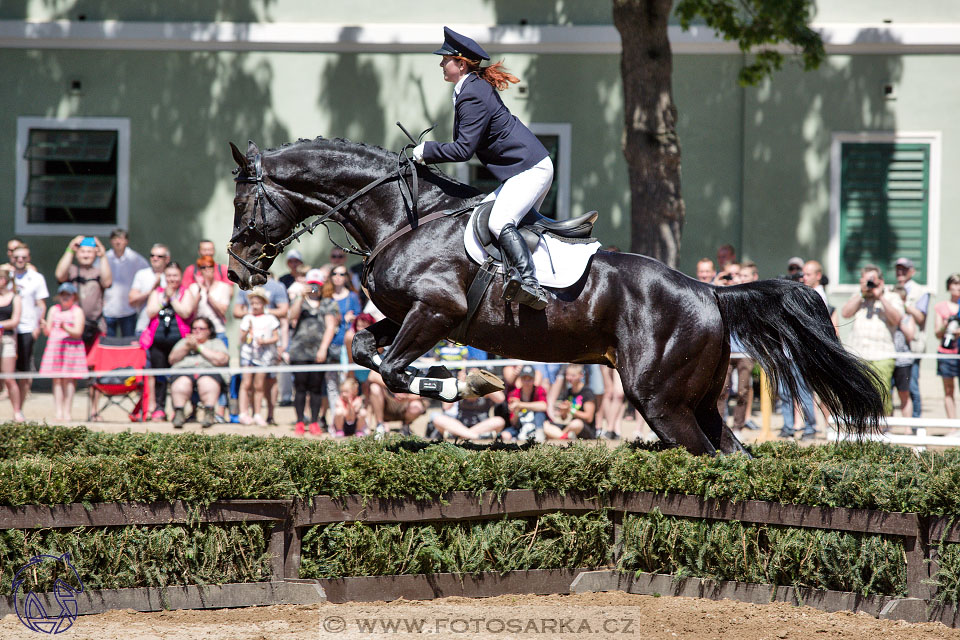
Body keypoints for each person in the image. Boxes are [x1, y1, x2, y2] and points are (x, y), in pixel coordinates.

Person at [412, 27, 552, 310]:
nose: (441, 63)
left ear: (461, 63)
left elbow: (464, 149)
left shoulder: (473, 92)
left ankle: (530, 283)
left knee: (500, 222)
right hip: (521, 169)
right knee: (485, 219)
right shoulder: (469, 88)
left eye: (445, 59)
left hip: (529, 169)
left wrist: (426, 151)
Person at [841, 265, 904, 415]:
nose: (869, 283)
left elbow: (896, 319)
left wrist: (880, 296)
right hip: (857, 353)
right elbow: (845, 313)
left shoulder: (892, 297)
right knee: (857, 391)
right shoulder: (858, 296)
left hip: (882, 355)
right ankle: (860, 426)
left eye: (872, 280)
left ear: (880, 281)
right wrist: (862, 294)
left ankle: (881, 427)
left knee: (881, 392)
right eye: (866, 280)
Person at [141, 262, 197, 421]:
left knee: (178, 376)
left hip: (179, 343)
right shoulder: (157, 293)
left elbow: (186, 312)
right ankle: (159, 408)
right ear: (165, 277)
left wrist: (172, 298)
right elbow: (150, 312)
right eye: (169, 276)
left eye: (175, 275)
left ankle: (177, 409)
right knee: (159, 376)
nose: (172, 279)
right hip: (157, 342)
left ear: (180, 277)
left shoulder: (186, 292)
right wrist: (163, 300)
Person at [287, 269, 340, 436]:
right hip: (299, 352)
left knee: (316, 388)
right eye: (311, 285)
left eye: (317, 285)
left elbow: (331, 327)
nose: (314, 289)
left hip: (318, 352)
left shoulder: (328, 303)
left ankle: (315, 421)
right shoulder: (300, 302)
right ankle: (300, 421)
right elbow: (291, 317)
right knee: (300, 388)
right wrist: (299, 297)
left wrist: (323, 348)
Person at [167, 317, 230, 429]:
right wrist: (187, 347)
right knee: (182, 382)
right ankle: (179, 413)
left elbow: (222, 359)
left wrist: (199, 347)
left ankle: (209, 413)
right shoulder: (183, 342)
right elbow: (172, 359)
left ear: (209, 331)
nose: (197, 331)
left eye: (201, 328)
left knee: (206, 382)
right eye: (194, 328)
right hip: (184, 372)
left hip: (209, 373)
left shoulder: (215, 342)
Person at [54, 235, 112, 354]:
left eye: (89, 252)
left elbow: (107, 282)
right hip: (72, 326)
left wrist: (103, 256)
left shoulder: (99, 272)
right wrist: (70, 250)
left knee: (93, 366)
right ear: (77, 253)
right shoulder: (72, 271)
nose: (86, 255)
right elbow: (59, 275)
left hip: (95, 326)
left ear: (95, 253)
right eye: (82, 251)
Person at [39, 283, 86, 422]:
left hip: (72, 349)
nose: (65, 297)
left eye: (68, 295)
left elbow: (78, 332)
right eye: (63, 295)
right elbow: (48, 331)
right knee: (57, 380)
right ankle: (58, 412)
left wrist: (65, 327)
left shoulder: (77, 311)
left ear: (74, 296)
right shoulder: (53, 309)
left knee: (69, 380)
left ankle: (67, 412)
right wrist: (43, 327)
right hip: (55, 348)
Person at [10, 243, 48, 405]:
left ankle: (19, 407)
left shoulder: (36, 278)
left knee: (24, 370)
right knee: (7, 370)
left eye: (23, 257)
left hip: (27, 328)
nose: (20, 260)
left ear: (29, 258)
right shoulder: (5, 275)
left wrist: (37, 327)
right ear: (11, 257)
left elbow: (41, 305)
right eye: (17, 257)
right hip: (7, 329)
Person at [238, 288, 280, 426]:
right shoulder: (247, 318)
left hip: (263, 357)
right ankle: (243, 412)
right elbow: (241, 339)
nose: (255, 306)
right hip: (248, 355)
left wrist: (264, 341)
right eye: (253, 303)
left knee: (259, 385)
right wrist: (247, 332)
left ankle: (257, 413)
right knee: (246, 383)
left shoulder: (270, 319)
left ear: (263, 304)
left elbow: (275, 337)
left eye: (258, 303)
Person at [428, 367, 507, 440]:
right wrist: (457, 385)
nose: (472, 378)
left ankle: (461, 436)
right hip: (460, 425)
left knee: (499, 421)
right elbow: (446, 407)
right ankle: (475, 436)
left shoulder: (485, 390)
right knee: (437, 418)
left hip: (482, 426)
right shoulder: (462, 386)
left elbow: (501, 399)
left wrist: (484, 383)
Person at [894, 257, 930, 418]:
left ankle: (916, 424)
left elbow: (921, 317)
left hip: (913, 345)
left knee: (912, 386)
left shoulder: (920, 291)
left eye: (904, 269)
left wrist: (903, 306)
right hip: (894, 346)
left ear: (912, 271)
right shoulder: (891, 289)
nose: (900, 272)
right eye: (898, 269)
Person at [102, 228, 148, 337]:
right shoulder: (105, 258)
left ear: (126, 241)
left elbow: (147, 274)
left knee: (128, 344)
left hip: (128, 309)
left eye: (121, 239)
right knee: (108, 344)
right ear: (111, 241)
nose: (118, 242)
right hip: (108, 308)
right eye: (115, 239)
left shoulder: (135, 258)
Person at [544, 364, 597, 440]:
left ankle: (561, 436)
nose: (569, 378)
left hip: (584, 429)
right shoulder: (568, 392)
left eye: (573, 375)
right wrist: (563, 411)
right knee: (546, 425)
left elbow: (589, 418)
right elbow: (563, 418)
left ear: (581, 375)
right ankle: (564, 436)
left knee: (576, 423)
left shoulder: (587, 393)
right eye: (567, 375)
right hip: (570, 427)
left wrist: (570, 410)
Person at [188, 255, 232, 345]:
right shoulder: (193, 287)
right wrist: (199, 294)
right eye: (203, 267)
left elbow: (222, 312)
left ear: (214, 268)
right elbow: (192, 313)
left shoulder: (223, 287)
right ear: (200, 270)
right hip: (199, 334)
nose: (207, 269)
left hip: (218, 331)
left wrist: (209, 296)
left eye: (210, 266)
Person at [934, 273, 960, 419]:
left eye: (959, 283)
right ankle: (953, 427)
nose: (957, 287)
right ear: (949, 286)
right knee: (948, 390)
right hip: (946, 352)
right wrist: (946, 326)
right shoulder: (940, 307)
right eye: (954, 283)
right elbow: (937, 334)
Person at [129, 243, 170, 336]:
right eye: (152, 255)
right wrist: (151, 291)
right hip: (144, 328)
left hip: (166, 329)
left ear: (167, 259)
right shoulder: (142, 274)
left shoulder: (172, 276)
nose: (155, 258)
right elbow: (131, 301)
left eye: (159, 256)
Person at [0, 268, 23, 421]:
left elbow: (15, 321)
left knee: (9, 378)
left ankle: (17, 411)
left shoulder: (15, 298)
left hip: (7, 340)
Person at [891, 284, 917, 418]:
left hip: (903, 361)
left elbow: (910, 335)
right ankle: (886, 427)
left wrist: (899, 319)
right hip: (888, 358)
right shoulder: (886, 315)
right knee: (886, 395)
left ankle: (907, 427)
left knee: (904, 394)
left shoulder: (908, 317)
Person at [504, 364, 548, 442]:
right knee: (505, 435)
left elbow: (544, 406)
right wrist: (516, 411)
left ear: (534, 379)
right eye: (524, 378)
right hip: (521, 426)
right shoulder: (514, 394)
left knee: (539, 414)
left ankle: (539, 435)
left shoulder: (539, 390)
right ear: (520, 379)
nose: (527, 382)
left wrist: (520, 404)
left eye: (529, 379)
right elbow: (513, 422)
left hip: (537, 424)